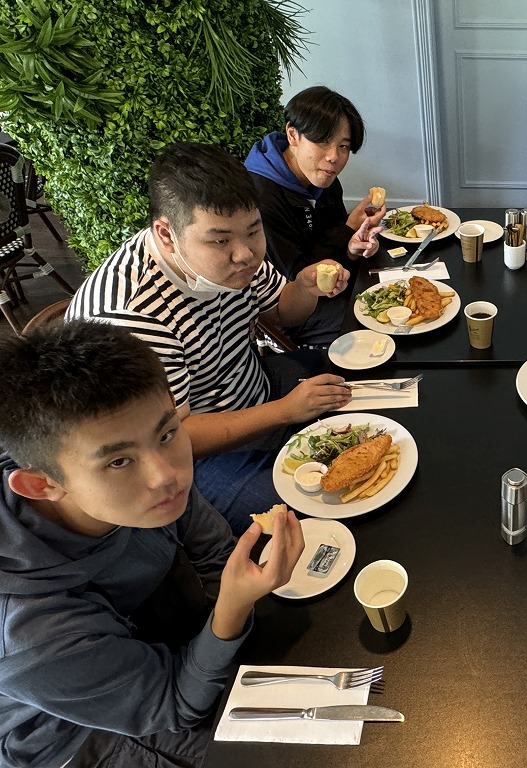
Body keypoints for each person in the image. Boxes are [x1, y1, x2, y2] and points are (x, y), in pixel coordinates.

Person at [0, 320, 305, 768]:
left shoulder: (154, 478)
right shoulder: (32, 634)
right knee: (287, 752)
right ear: (41, 485)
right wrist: (232, 608)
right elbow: (176, 706)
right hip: (79, 735)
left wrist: (230, 607)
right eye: (119, 461)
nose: (166, 474)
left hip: (164, 634)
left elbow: (214, 553)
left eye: (167, 433)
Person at [67, 143, 353, 535]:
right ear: (167, 234)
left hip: (258, 386)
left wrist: (304, 287)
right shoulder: (132, 314)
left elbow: (283, 314)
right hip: (198, 455)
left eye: (254, 231)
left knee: (361, 379)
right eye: (220, 241)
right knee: (317, 509)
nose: (245, 254)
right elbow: (171, 436)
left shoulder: (238, 253)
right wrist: (285, 412)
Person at [245, 86, 386, 346]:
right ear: (293, 135)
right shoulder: (261, 199)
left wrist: (353, 246)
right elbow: (297, 277)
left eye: (343, 146)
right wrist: (347, 229)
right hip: (294, 310)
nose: (333, 157)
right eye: (322, 142)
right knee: (379, 323)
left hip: (334, 287)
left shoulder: (323, 178)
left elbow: (334, 244)